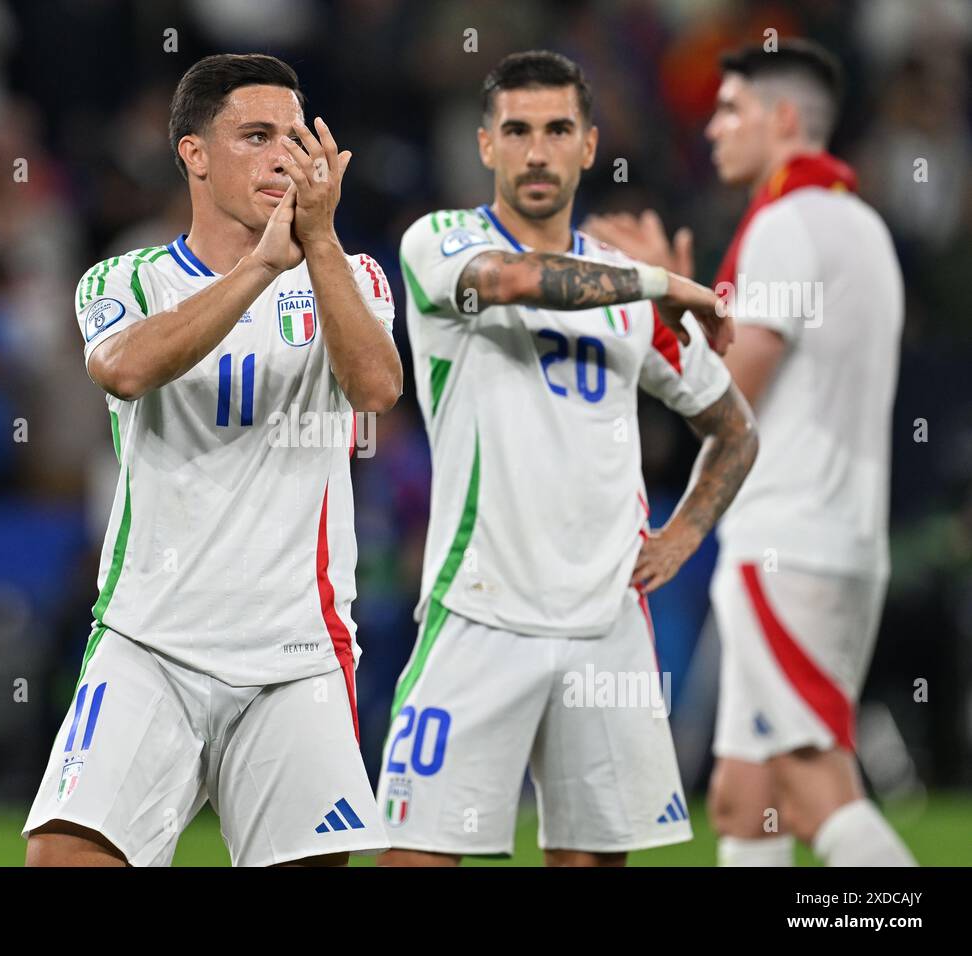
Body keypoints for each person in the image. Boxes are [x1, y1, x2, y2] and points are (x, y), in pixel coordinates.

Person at [22, 54, 402, 867]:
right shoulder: (125, 278)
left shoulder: (353, 274)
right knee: (62, 859)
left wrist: (317, 242)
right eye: (255, 136)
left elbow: (374, 388)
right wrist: (260, 265)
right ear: (193, 153)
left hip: (295, 654)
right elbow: (125, 368)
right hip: (150, 641)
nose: (283, 157)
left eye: (295, 138)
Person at [377, 50, 754, 867]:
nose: (537, 152)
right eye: (516, 131)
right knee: (415, 855)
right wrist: (659, 282)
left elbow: (735, 428)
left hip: (605, 623)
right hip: (478, 609)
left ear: (589, 146)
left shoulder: (631, 294)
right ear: (485, 145)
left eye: (558, 131)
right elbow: (511, 280)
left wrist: (686, 530)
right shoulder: (440, 244)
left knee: (590, 861)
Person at [585, 39, 914, 866]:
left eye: (730, 109)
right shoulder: (862, 224)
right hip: (838, 537)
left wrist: (659, 299)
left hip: (786, 543)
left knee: (812, 787)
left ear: (785, 118)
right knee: (745, 795)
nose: (713, 127)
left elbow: (727, 400)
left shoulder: (783, 225)